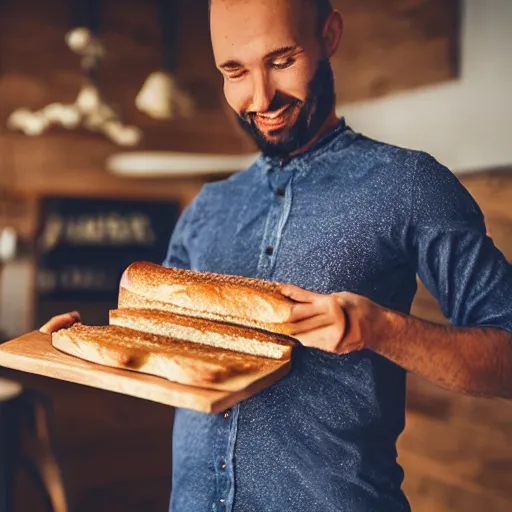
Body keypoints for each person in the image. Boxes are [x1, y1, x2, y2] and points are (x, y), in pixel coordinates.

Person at [41, 0, 512, 510]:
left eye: (281, 60)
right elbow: (165, 358)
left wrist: (381, 329)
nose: (260, 96)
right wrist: (87, 342)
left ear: (329, 34)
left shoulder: (408, 185)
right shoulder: (207, 207)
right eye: (235, 71)